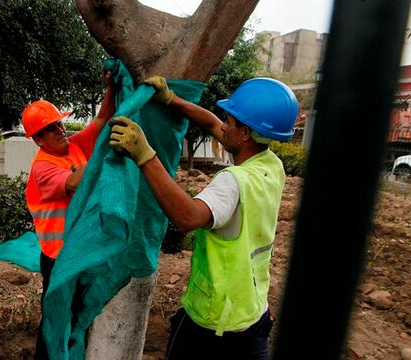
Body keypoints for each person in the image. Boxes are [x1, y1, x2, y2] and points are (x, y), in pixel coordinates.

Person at [108, 76, 299, 359]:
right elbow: (211, 123)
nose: (223, 124)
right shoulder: (271, 165)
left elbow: (187, 217)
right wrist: (172, 99)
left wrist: (144, 155)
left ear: (245, 133)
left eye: (230, 121)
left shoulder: (233, 181)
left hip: (212, 324)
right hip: (252, 313)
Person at [23, 72, 115, 360]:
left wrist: (111, 87)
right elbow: (74, 183)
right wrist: (102, 155)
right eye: (51, 129)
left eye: (60, 124)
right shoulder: (43, 167)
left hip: (79, 252)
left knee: (78, 315)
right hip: (58, 258)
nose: (60, 130)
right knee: (56, 319)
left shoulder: (73, 146)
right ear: (38, 139)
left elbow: (101, 121)